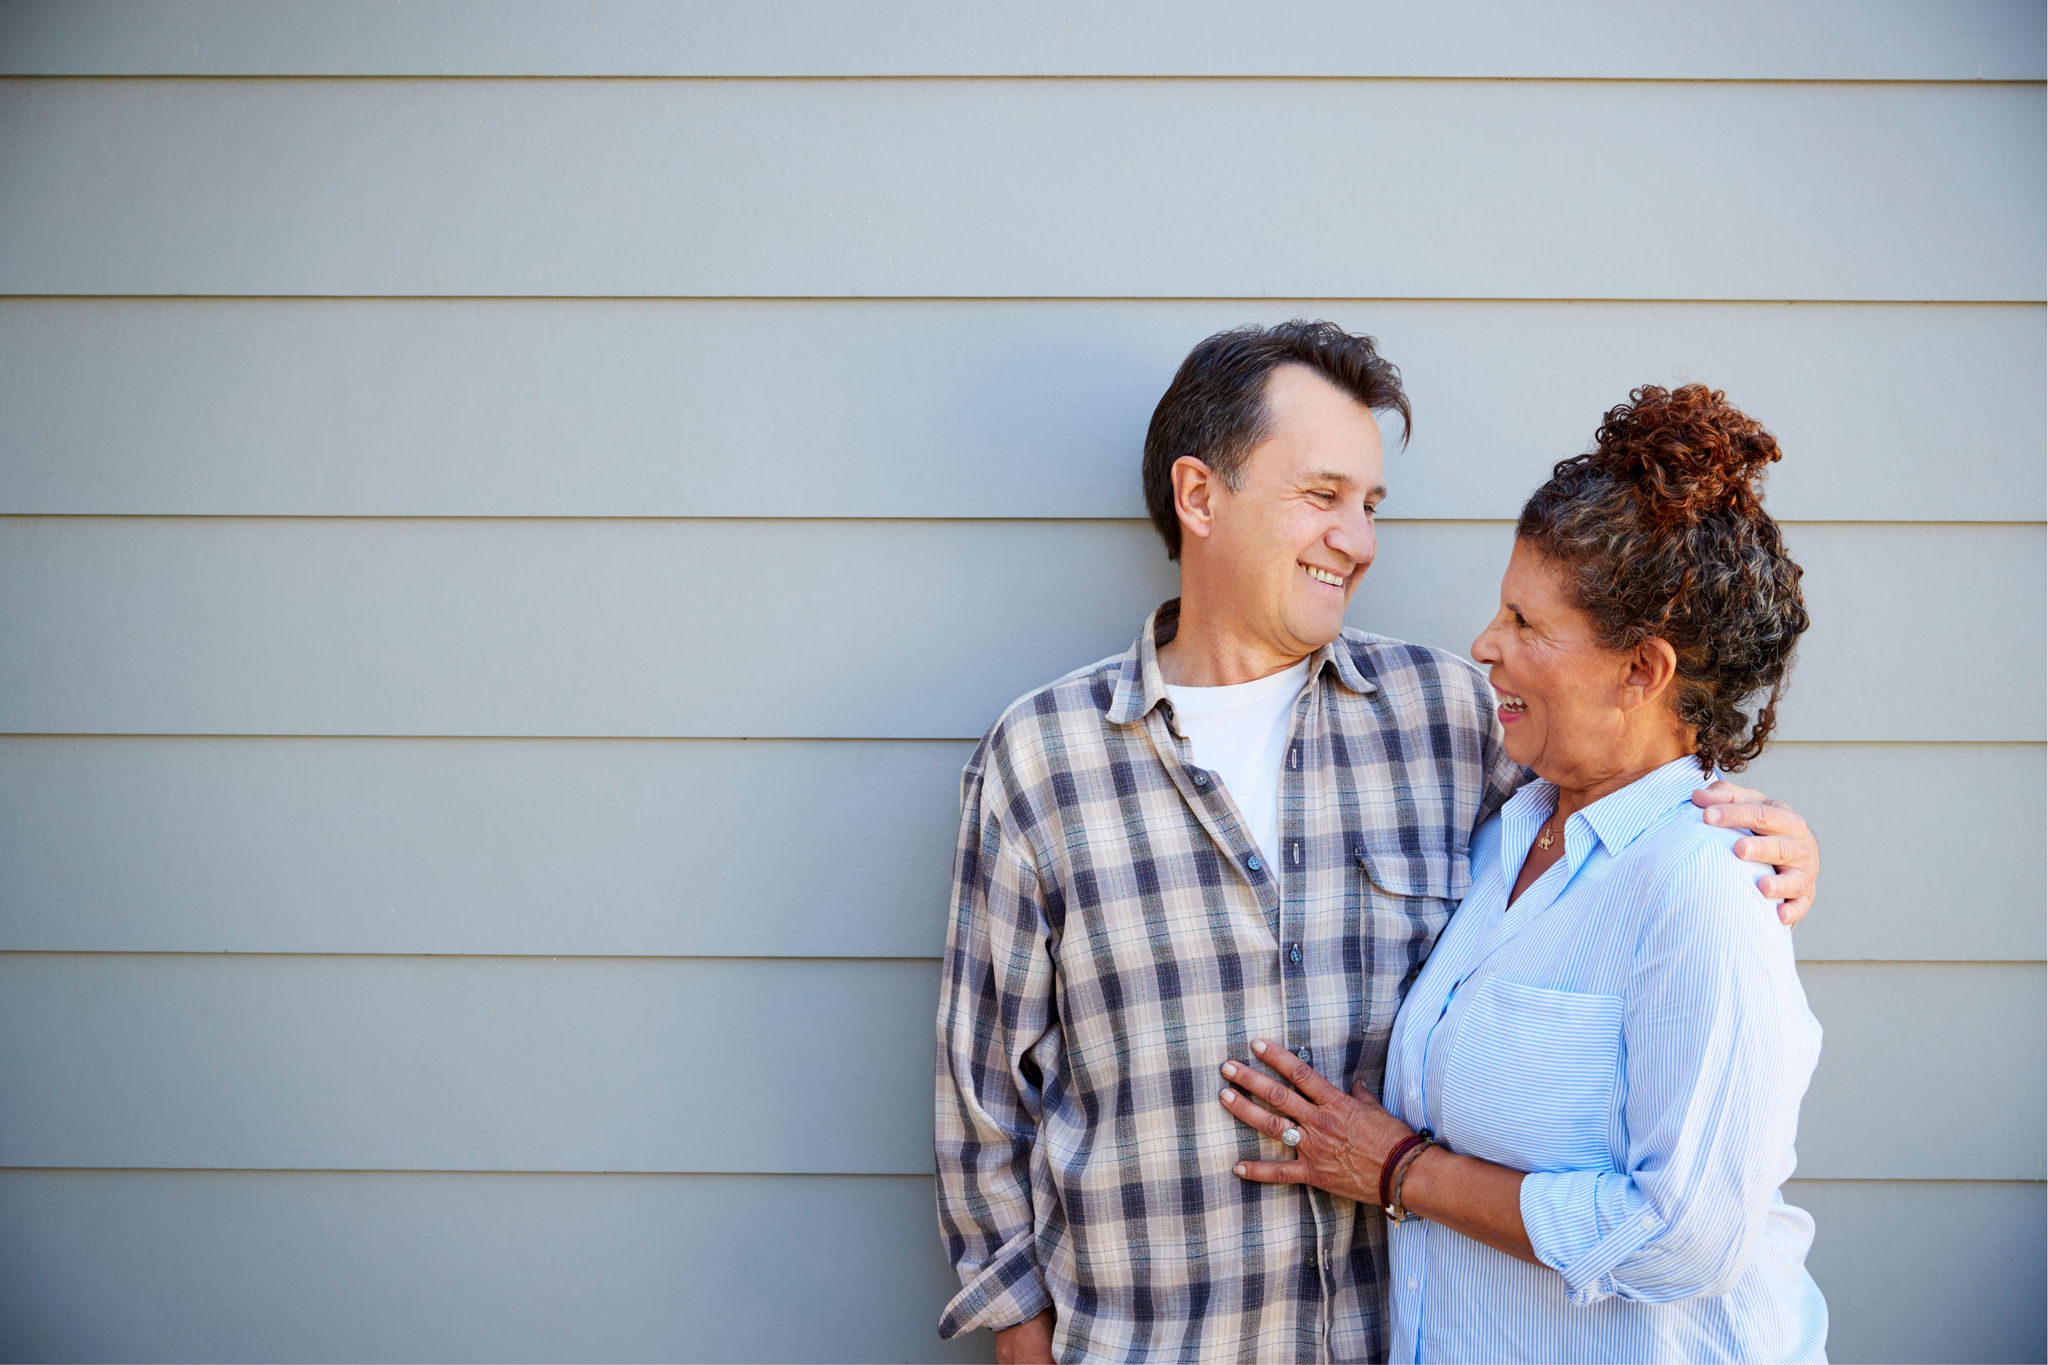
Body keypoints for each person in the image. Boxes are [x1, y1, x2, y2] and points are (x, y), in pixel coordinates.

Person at [935, 324, 1821, 1364]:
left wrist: (1767, 838)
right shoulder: (1043, 757)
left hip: (1392, 1340)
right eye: (1321, 495)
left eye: (1369, 505)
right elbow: (982, 1097)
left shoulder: (1451, 716)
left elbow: (1634, 813)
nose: (1356, 540)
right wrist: (1021, 1337)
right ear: (1199, 495)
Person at [1216, 384, 1826, 1362]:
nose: (1483, 646)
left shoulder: (1704, 885)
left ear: (1641, 673)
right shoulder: (1509, 827)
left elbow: (1687, 1235)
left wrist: (1397, 1170)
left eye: (1524, 623)